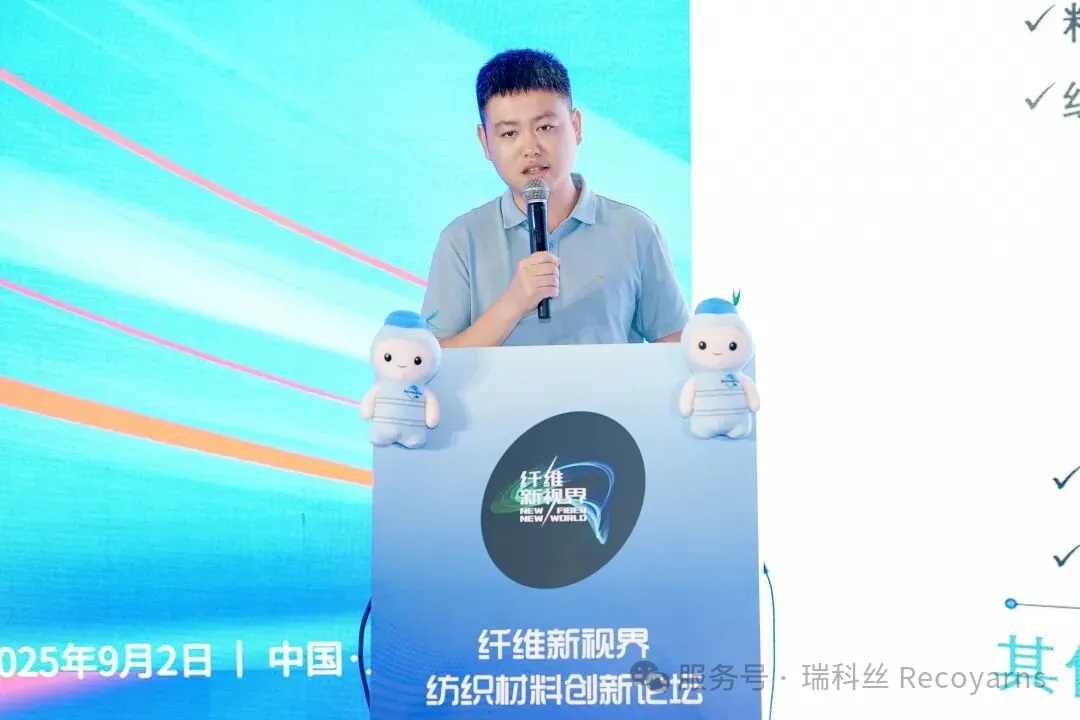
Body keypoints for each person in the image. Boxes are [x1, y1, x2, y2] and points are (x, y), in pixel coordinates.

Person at [420, 48, 690, 348]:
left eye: (545, 127)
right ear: (485, 142)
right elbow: (431, 360)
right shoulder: (461, 240)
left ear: (576, 126)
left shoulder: (635, 231)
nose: (530, 148)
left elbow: (675, 346)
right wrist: (512, 305)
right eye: (509, 133)